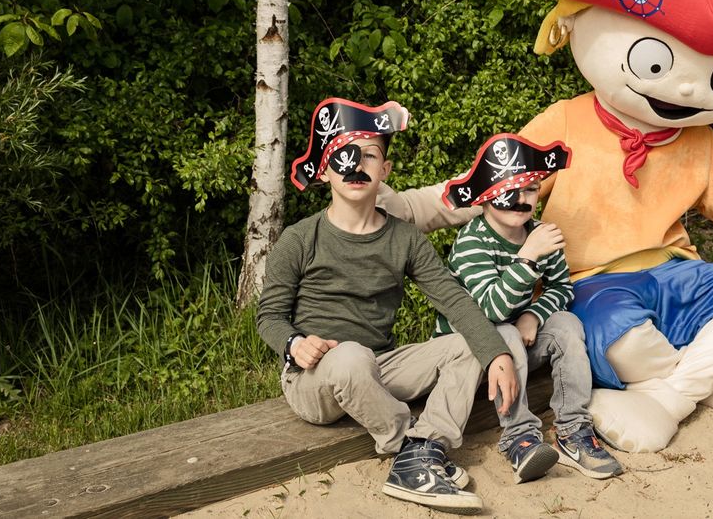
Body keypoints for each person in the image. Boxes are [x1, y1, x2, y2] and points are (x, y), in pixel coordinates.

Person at [258, 98, 519, 514]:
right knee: (350, 357)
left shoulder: (405, 237)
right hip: (314, 377)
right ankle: (405, 448)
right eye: (344, 154)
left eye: (370, 155)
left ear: (385, 170)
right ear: (324, 170)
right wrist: (294, 344)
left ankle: (428, 446)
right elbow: (269, 316)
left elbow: (453, 298)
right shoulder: (300, 238)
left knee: (474, 344)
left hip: (380, 367)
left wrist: (497, 353)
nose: (357, 165)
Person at [436, 134, 624, 483]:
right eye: (510, 190)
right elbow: (491, 311)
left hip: (519, 344)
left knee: (566, 323)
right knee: (505, 331)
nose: (521, 200)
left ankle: (572, 429)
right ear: (487, 194)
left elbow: (561, 287)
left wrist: (533, 314)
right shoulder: (472, 242)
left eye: (531, 189)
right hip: (472, 352)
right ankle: (519, 437)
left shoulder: (539, 233)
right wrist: (528, 256)